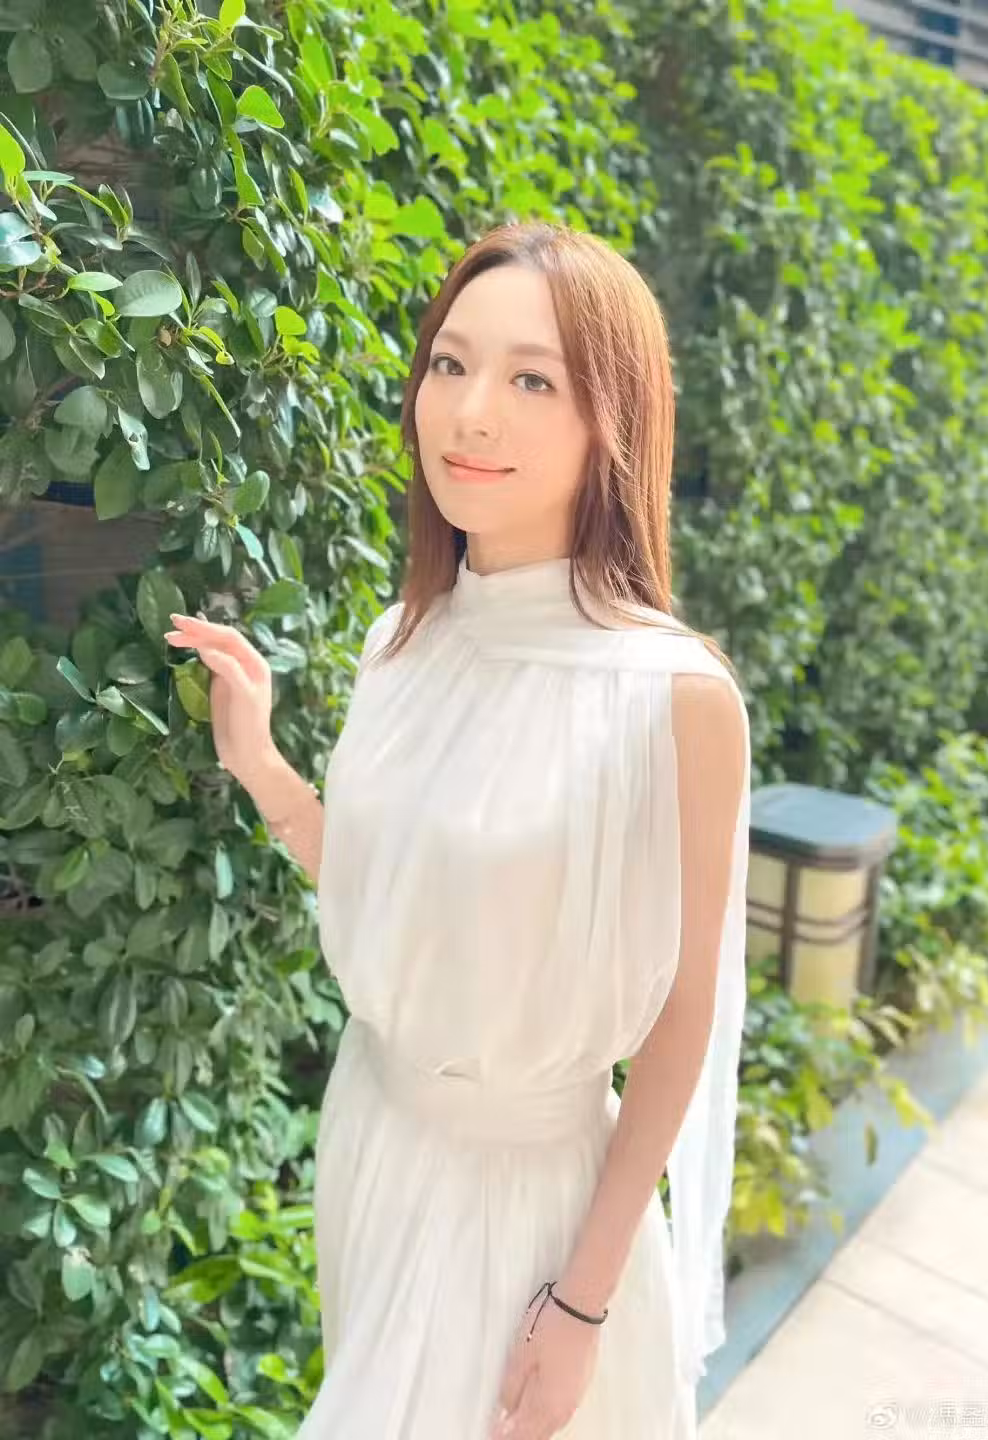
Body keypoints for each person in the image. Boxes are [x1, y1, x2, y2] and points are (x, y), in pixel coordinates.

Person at [165, 220, 750, 1440]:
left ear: (610, 423)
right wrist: (261, 765)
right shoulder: (407, 637)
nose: (471, 413)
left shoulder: (672, 697)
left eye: (533, 380)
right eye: (451, 363)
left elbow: (683, 1018)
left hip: (529, 1209)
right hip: (373, 1142)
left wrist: (583, 1302)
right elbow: (391, 889)